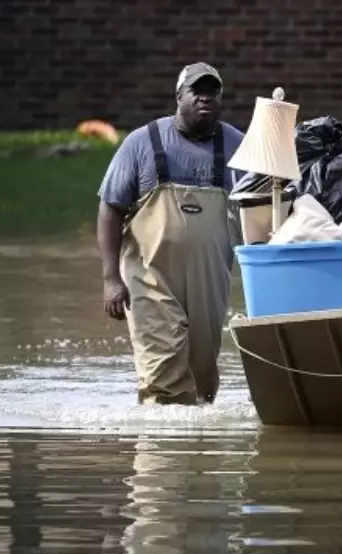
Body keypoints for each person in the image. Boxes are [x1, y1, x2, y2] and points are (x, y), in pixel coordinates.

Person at [97, 63, 246, 405]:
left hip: (210, 278)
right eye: (197, 91)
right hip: (150, 277)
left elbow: (262, 207)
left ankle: (196, 454)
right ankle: (160, 454)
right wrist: (110, 278)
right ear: (179, 96)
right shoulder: (142, 143)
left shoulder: (239, 146)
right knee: (163, 373)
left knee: (202, 377)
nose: (205, 98)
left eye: (213, 92)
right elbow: (110, 208)